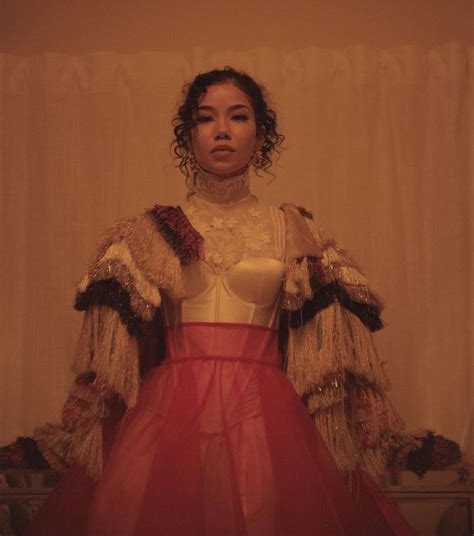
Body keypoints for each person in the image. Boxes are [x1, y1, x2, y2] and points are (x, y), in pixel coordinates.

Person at [24, 67, 416, 535]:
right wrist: (74, 430)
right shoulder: (147, 233)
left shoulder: (296, 230)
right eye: (206, 118)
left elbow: (334, 358)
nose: (223, 130)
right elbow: (110, 362)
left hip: (268, 422)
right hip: (167, 420)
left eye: (239, 116)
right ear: (188, 136)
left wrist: (384, 438)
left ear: (262, 133)